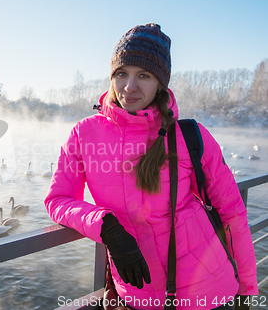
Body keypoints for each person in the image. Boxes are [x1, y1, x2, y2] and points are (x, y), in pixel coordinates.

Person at [44, 23, 258, 310]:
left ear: (160, 83)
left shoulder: (189, 136)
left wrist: (247, 290)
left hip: (209, 292)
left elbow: (232, 213)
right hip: (135, 294)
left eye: (143, 75)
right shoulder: (84, 135)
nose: (129, 87)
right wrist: (106, 226)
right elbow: (58, 200)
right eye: (121, 73)